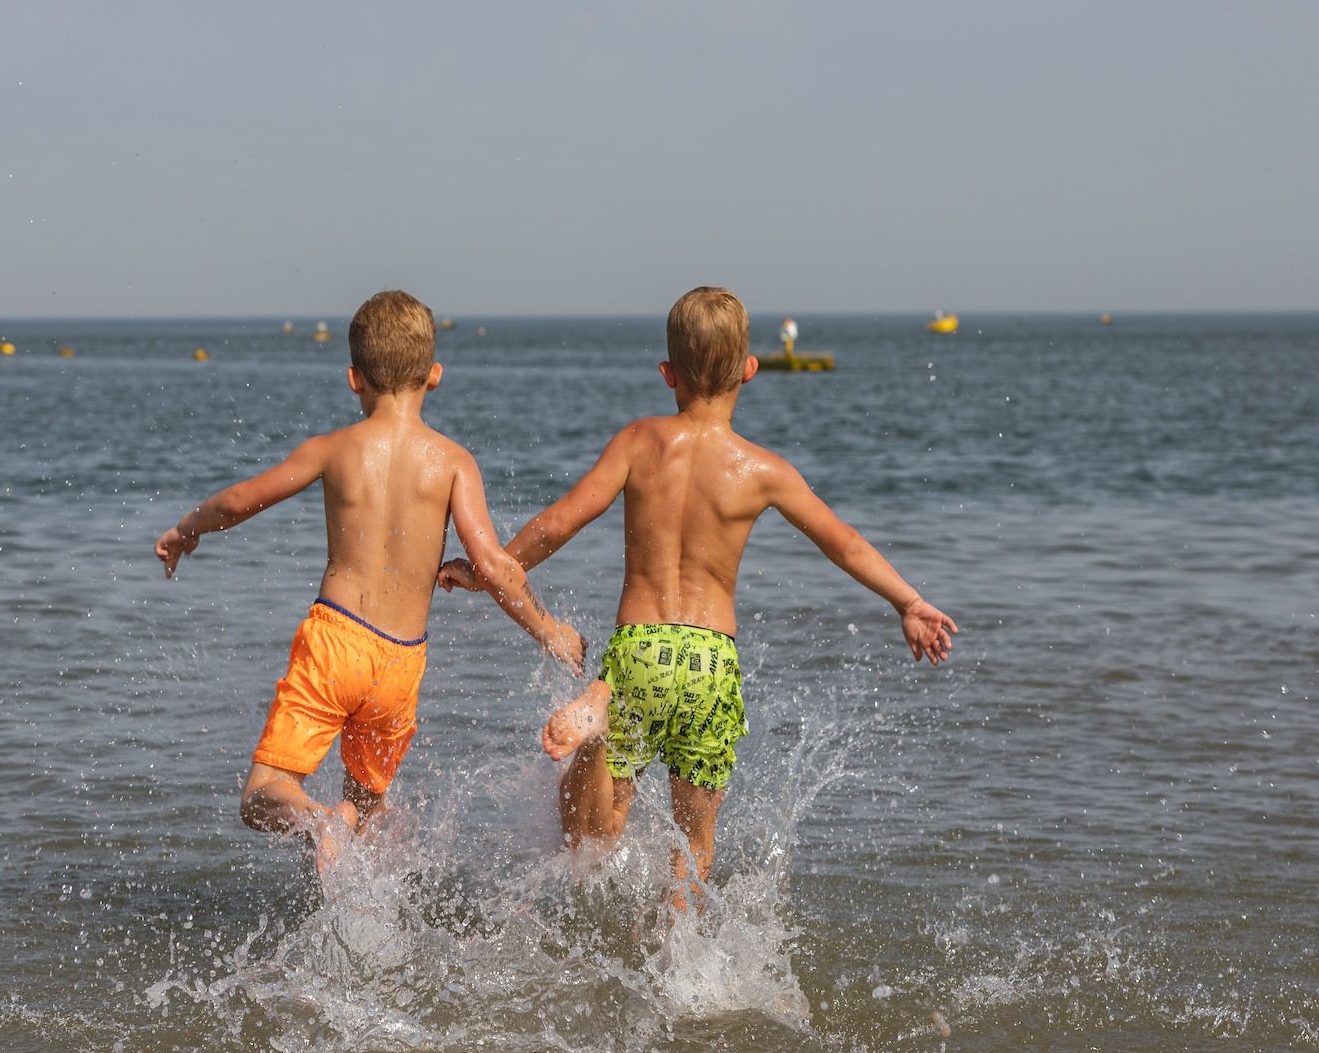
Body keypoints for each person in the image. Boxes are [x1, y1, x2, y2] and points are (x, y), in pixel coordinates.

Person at [438, 286, 955, 891]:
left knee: (591, 839)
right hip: (711, 664)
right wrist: (908, 600)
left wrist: (491, 569)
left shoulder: (638, 442)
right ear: (749, 371)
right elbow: (843, 541)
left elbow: (561, 521)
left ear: (667, 373)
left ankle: (598, 719)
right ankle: (680, 963)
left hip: (640, 653)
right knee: (696, 843)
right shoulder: (763, 470)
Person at [156, 290, 584, 865]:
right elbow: (494, 566)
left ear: (353, 379)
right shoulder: (453, 461)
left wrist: (187, 529)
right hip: (401, 665)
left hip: (337, 643)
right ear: (434, 375)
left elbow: (237, 503)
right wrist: (549, 629)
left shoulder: (333, 449)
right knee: (364, 812)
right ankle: (357, 917)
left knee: (263, 796)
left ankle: (313, 821)